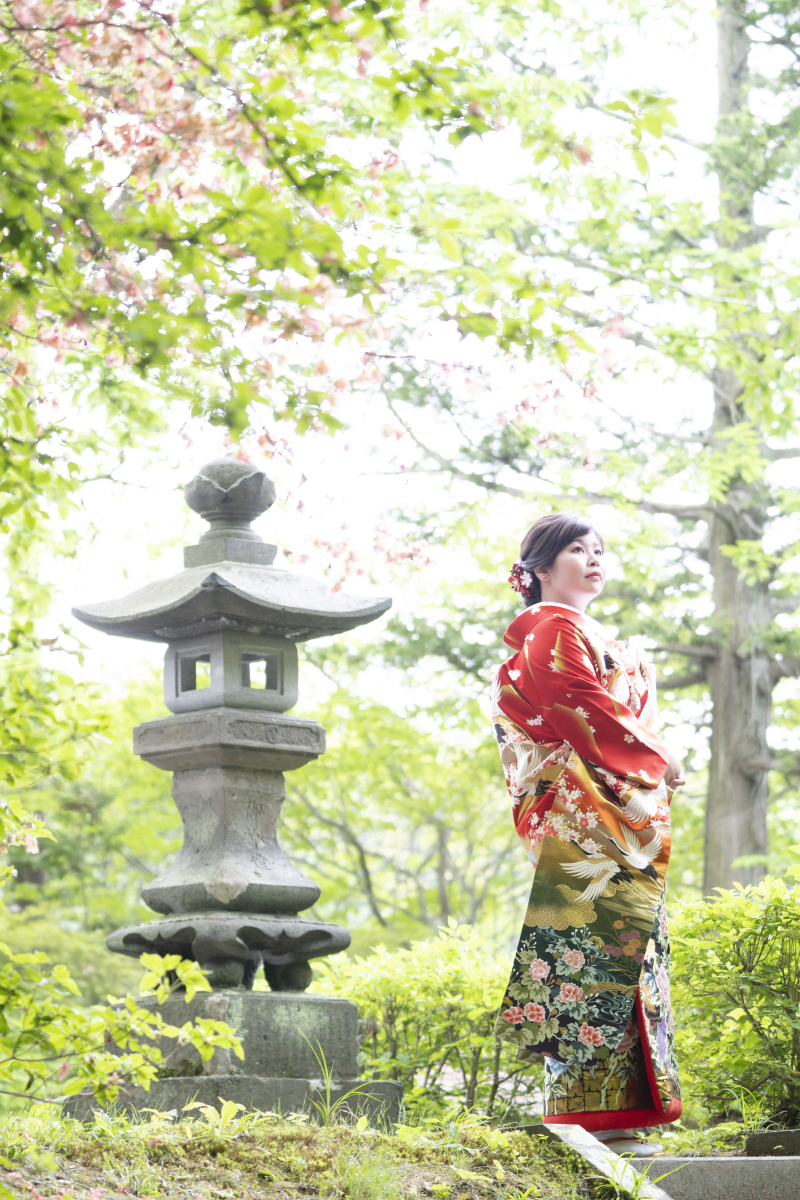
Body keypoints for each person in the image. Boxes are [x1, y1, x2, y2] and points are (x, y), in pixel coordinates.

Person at [491, 513, 684, 1156]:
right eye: (577, 549)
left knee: (624, 948)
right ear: (541, 569)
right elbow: (578, 699)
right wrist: (655, 754)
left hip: (608, 806)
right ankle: (593, 1117)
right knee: (594, 951)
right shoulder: (552, 627)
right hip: (583, 803)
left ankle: (621, 1114)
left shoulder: (590, 631)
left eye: (600, 549)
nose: (594, 558)